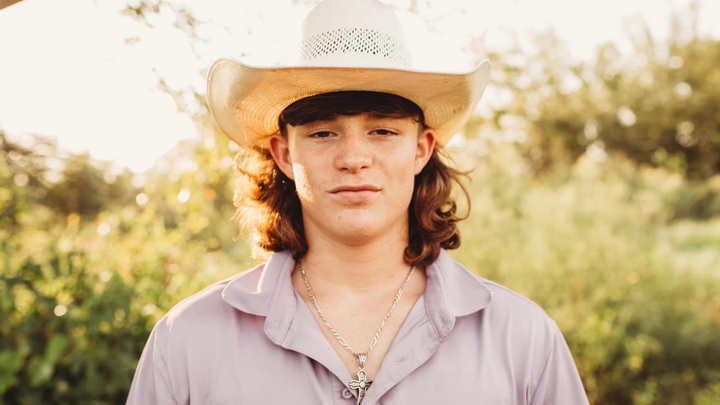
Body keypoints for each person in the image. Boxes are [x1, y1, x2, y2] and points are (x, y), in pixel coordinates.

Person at [126, 0, 590, 404]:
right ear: (284, 154)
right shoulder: (186, 341)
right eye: (322, 133)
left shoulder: (523, 338)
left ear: (421, 150)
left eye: (382, 131)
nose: (353, 158)